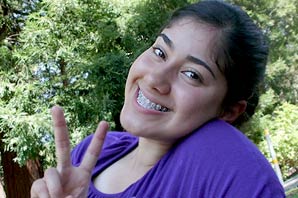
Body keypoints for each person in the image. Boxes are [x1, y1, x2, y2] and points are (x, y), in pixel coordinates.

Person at [31, 1, 286, 197]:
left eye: (192, 74)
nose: (155, 79)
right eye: (160, 52)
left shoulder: (226, 162)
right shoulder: (94, 151)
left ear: (228, 111)